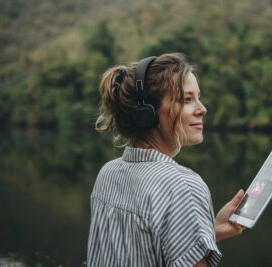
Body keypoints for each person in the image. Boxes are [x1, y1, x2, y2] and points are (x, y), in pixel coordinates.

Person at [87, 53, 245, 267]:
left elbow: (138, 250)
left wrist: (207, 232)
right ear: (147, 113)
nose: (202, 109)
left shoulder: (108, 173)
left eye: (198, 97)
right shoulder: (183, 186)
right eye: (187, 99)